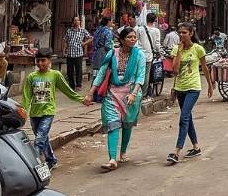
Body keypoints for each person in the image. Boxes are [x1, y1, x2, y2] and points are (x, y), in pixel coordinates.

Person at [83, 27, 146, 171]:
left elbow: (140, 76)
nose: (133, 39)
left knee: (127, 124)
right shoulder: (112, 54)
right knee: (113, 124)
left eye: (134, 37)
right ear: (122, 40)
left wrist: (134, 94)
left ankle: (123, 152)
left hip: (131, 93)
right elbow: (101, 73)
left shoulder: (139, 55)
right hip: (112, 94)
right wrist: (91, 92)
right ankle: (112, 159)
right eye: (129, 37)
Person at [22, 48, 85, 170]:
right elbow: (26, 96)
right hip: (34, 113)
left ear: (49, 60)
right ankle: (51, 160)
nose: (40, 63)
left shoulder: (55, 75)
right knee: (43, 138)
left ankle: (34, 164)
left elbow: (67, 90)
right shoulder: (31, 77)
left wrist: (81, 99)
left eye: (43, 60)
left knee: (39, 140)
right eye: (38, 60)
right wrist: (23, 110)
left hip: (48, 112)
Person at [167, 23, 213, 164]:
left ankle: (176, 151)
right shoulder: (176, 49)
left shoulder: (198, 49)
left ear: (191, 33)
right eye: (179, 32)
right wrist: (179, 51)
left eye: (184, 33)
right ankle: (196, 147)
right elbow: (174, 70)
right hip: (180, 87)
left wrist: (210, 85)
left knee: (184, 117)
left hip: (193, 87)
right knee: (188, 118)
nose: (181, 35)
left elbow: (204, 68)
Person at [62, 16, 92, 90]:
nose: (76, 21)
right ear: (73, 22)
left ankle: (78, 85)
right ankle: (71, 86)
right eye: (75, 20)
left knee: (78, 71)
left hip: (78, 54)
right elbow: (65, 41)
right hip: (70, 54)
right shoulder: (69, 31)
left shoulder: (83, 30)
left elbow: (91, 38)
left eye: (78, 20)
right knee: (70, 72)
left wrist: (84, 43)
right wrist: (63, 51)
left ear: (79, 22)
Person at [136, 12, 161, 98]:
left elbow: (136, 40)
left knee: (138, 73)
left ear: (146, 19)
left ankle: (136, 91)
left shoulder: (140, 29)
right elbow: (157, 44)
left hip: (139, 54)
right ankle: (143, 93)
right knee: (146, 75)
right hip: (148, 56)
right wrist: (159, 52)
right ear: (155, 20)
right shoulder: (156, 31)